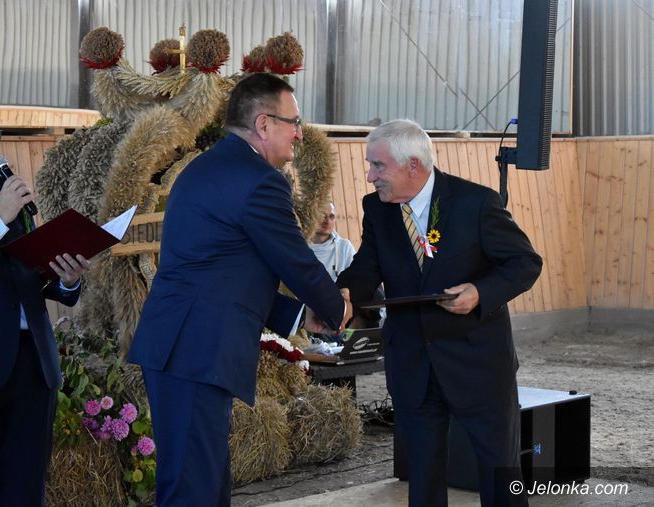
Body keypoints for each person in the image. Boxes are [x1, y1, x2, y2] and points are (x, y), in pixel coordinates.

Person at [128, 73, 352, 506]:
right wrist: (335, 308)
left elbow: (225, 274)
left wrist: (300, 316)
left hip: (185, 346)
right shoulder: (259, 180)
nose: (300, 133)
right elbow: (296, 260)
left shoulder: (209, 168)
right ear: (264, 124)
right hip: (195, 350)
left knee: (203, 483)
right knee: (193, 489)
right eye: (294, 122)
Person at [336, 119, 542, 506]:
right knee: (424, 478)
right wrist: (341, 296)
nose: (370, 176)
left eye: (378, 166)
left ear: (412, 165)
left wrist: (480, 293)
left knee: (499, 474)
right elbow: (365, 268)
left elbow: (525, 263)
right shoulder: (376, 208)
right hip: (413, 363)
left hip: (478, 363)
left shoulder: (476, 203)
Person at [0, 89, 89, 506]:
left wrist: (66, 279)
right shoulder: (3, 204)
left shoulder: (3, 187)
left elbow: (29, 266)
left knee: (24, 488)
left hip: (31, 362)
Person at [308, 201, 356, 280]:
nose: (327, 221)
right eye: (322, 216)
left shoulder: (344, 246)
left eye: (331, 216)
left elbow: (356, 277)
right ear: (311, 218)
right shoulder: (300, 247)